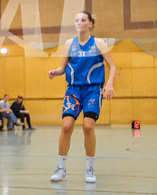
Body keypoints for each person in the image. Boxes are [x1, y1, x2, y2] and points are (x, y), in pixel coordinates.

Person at [48, 11, 116, 183]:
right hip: (73, 90)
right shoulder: (69, 44)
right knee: (66, 125)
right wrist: (55, 72)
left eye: (83, 20)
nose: (79, 23)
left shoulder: (99, 43)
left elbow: (113, 66)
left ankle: (89, 168)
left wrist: (109, 84)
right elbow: (63, 67)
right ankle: (61, 168)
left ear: (90, 24)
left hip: (93, 90)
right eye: (77, 20)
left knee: (88, 127)